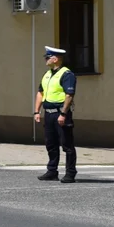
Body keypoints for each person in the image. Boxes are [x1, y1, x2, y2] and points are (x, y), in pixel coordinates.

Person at [35, 46, 77, 183]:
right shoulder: (47, 74)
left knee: (67, 144)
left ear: (55, 59)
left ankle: (70, 173)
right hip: (49, 114)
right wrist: (37, 111)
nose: (46, 60)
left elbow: (69, 95)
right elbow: (40, 93)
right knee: (50, 143)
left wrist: (63, 114)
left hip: (60, 113)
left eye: (48, 58)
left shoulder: (67, 74)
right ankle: (52, 171)